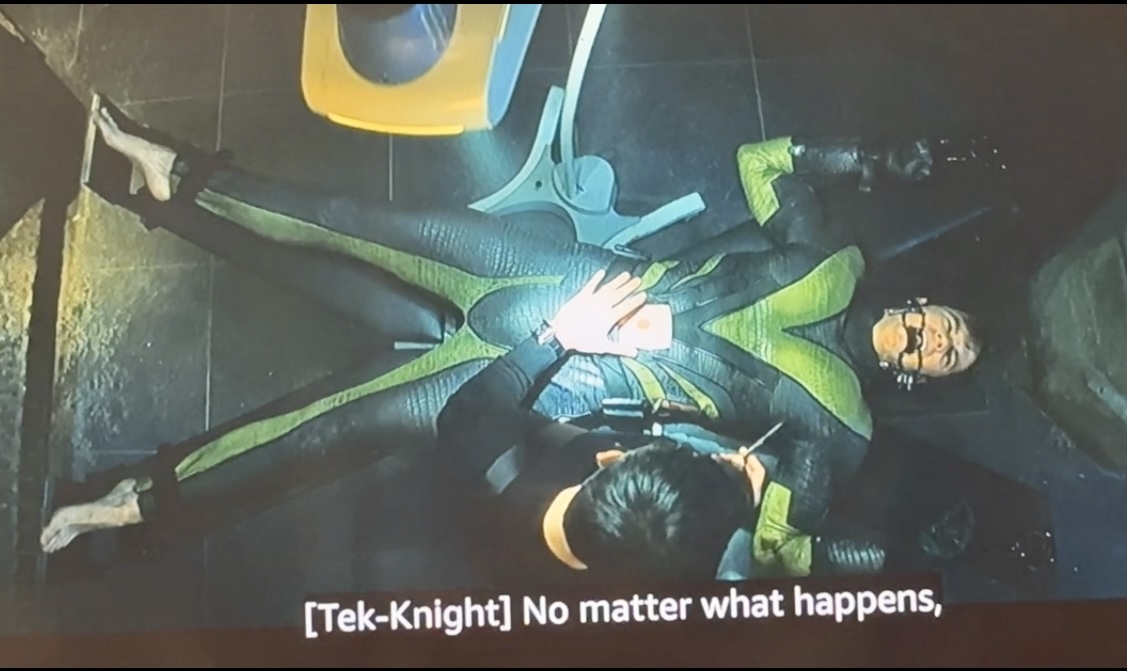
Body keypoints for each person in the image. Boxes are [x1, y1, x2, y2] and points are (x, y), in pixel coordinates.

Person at [42, 99, 987, 581]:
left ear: (919, 377)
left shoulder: (842, 427)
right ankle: (177, 174)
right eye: (949, 327)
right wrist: (864, 161)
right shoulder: (832, 254)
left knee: (335, 425)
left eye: (947, 357)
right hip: (555, 276)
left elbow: (780, 546)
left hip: (562, 380)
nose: (938, 341)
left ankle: (143, 500)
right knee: (355, 219)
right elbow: (763, 159)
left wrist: (890, 560)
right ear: (926, 303)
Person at [434, 268, 756, 584]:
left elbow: (469, 407)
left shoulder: (491, 461)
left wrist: (558, 335)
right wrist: (748, 501)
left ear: (609, 458)